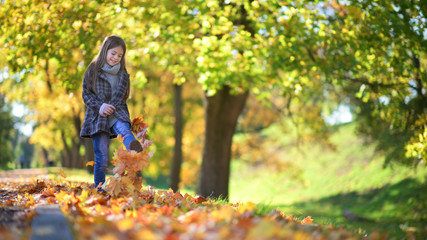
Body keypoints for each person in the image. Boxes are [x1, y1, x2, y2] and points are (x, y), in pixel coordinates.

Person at [80, 35, 143, 189]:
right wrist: (100, 106)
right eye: (113, 53)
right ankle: (99, 188)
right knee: (101, 155)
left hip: (116, 111)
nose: (116, 58)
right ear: (105, 50)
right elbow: (86, 94)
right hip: (98, 115)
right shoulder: (93, 70)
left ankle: (132, 147)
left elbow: (123, 95)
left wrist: (112, 106)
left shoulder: (123, 74)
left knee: (124, 130)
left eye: (120, 56)